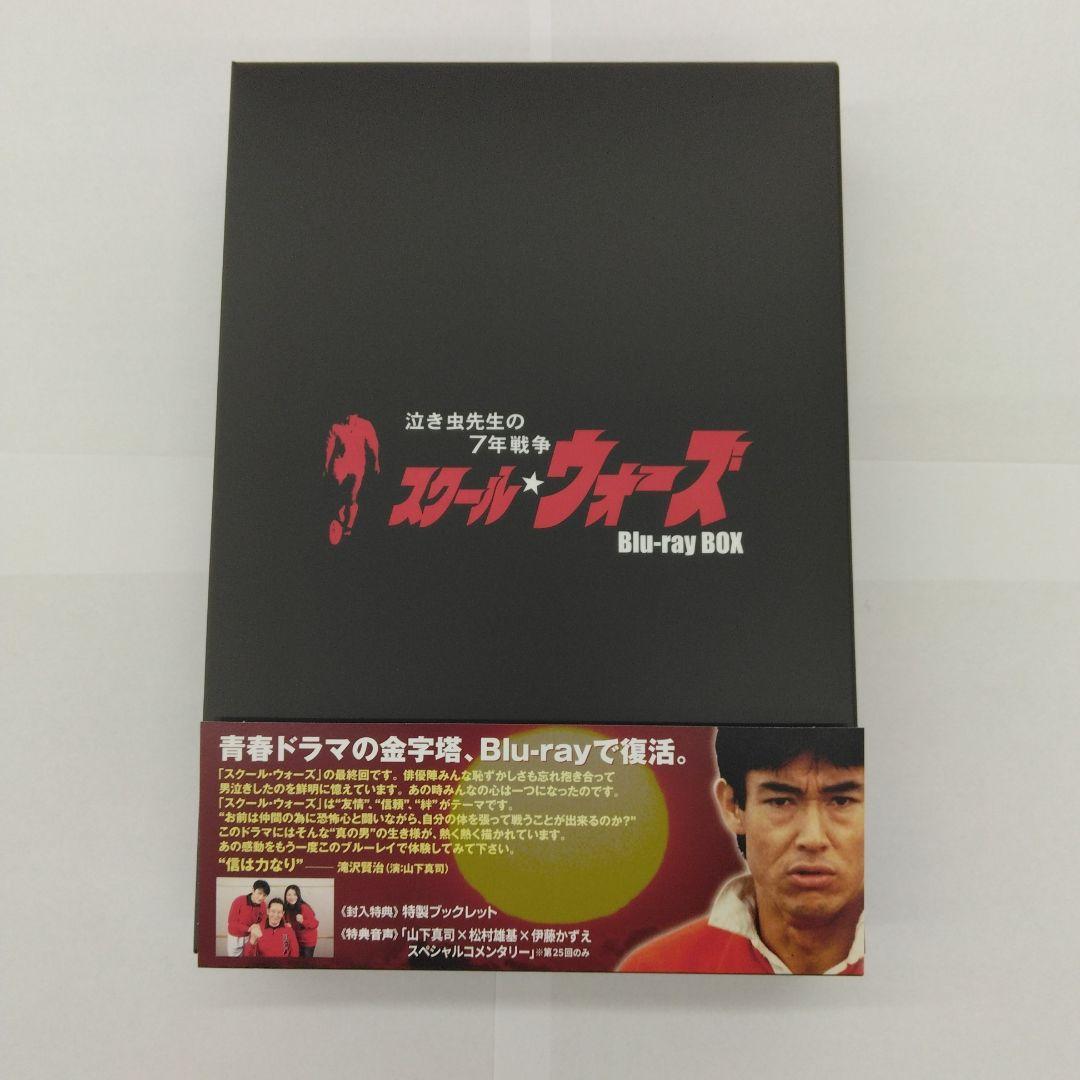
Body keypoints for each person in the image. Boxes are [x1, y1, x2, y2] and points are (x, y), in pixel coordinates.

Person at [619, 727, 864, 975]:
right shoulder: (656, 970)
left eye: (841, 801)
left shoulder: (895, 963)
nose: (812, 839)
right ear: (732, 807)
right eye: (780, 801)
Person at [225, 879, 269, 958]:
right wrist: (249, 929)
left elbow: (264, 919)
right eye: (259, 893)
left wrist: (258, 925)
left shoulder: (263, 904)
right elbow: (231, 923)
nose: (261, 897)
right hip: (235, 937)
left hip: (250, 937)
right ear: (253, 890)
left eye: (264, 895)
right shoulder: (239, 900)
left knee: (248, 959)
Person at [283, 884, 320, 958]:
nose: (291, 897)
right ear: (285, 896)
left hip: (308, 941)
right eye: (289, 895)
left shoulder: (304, 907)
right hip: (296, 940)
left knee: (306, 962)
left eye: (294, 894)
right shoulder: (286, 909)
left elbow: (315, 924)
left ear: (298, 896)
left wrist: (303, 921)